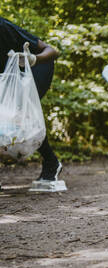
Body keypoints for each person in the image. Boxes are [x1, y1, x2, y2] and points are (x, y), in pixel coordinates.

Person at [0, 16, 62, 186]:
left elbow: (52, 51)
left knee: (22, 115)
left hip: (35, 70)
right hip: (7, 79)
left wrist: (33, 59)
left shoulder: (3, 26)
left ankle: (52, 162)